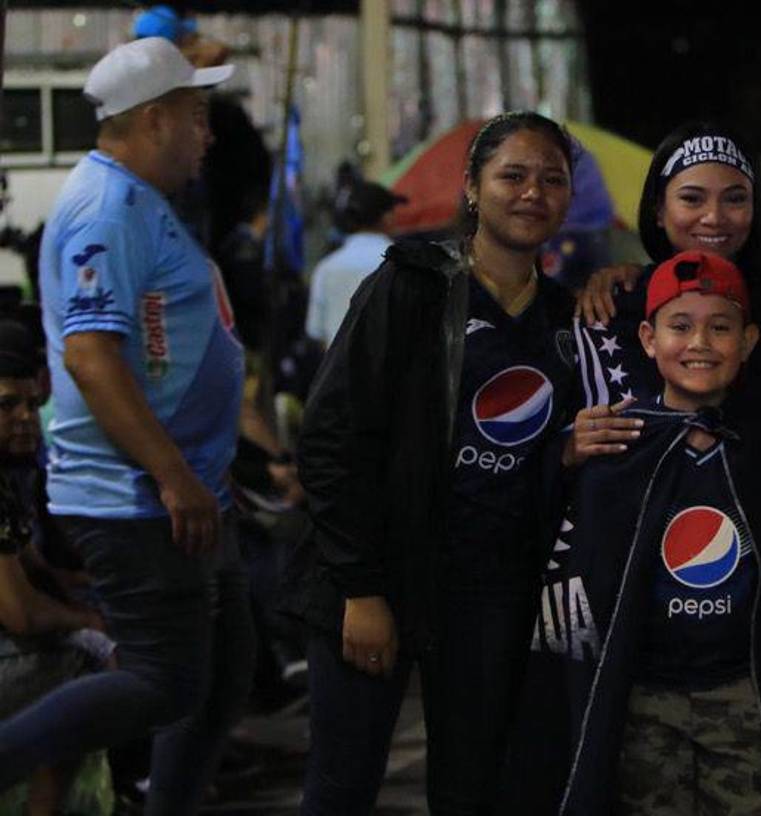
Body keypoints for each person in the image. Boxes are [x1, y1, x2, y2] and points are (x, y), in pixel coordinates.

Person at [503, 250, 761, 814]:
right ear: (646, 338)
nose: (700, 343)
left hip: (746, 701)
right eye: (680, 326)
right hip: (642, 701)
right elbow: (582, 589)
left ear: (748, 341)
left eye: (721, 328)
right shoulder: (615, 454)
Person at [289, 111, 578, 815]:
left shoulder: (570, 318)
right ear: (474, 189)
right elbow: (331, 436)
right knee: (342, 786)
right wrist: (361, 588)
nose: (532, 193)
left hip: (491, 592)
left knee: (473, 789)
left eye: (551, 179)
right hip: (379, 574)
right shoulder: (411, 286)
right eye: (512, 175)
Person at [0, 38, 255, 816]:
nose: (207, 135)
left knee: (221, 676)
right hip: (137, 494)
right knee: (162, 680)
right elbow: (90, 358)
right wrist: (172, 475)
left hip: (183, 485)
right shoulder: (104, 211)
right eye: (196, 116)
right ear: (153, 120)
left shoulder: (140, 201)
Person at [572, 121, 761, 429]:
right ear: (658, 209)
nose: (714, 217)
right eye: (692, 198)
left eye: (735, 198)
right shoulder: (614, 305)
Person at [0, 321, 112, 816]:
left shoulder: (10, 476)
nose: (26, 418)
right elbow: (20, 613)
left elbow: (33, 565)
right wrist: (87, 625)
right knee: (87, 668)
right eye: (6, 407)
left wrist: (84, 596)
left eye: (29, 404)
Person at [305, 181, 408, 348]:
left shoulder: (325, 268)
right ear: (386, 217)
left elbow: (316, 331)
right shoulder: (404, 264)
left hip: (339, 371)